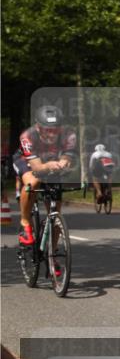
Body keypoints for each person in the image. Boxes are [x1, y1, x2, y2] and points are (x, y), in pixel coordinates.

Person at [13, 106, 76, 254]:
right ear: (38, 127)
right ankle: (25, 222)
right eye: (47, 129)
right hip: (26, 161)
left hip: (50, 161)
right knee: (33, 182)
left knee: (55, 214)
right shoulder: (27, 136)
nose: (51, 133)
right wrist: (49, 165)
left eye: (55, 129)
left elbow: (67, 155)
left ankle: (52, 252)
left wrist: (64, 161)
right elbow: (37, 167)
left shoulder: (69, 135)